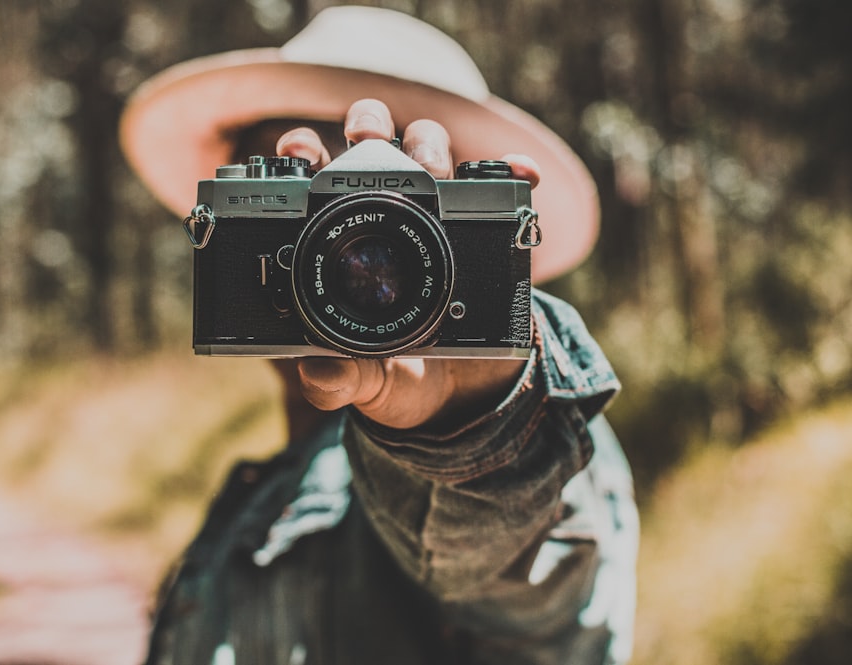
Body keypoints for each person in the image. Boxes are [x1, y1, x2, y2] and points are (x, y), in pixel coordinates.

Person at [120, 6, 638, 665]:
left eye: (399, 210)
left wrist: (478, 433)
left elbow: (520, 585)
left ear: (471, 234)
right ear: (235, 214)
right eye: (296, 187)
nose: (348, 242)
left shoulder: (542, 448)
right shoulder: (264, 490)